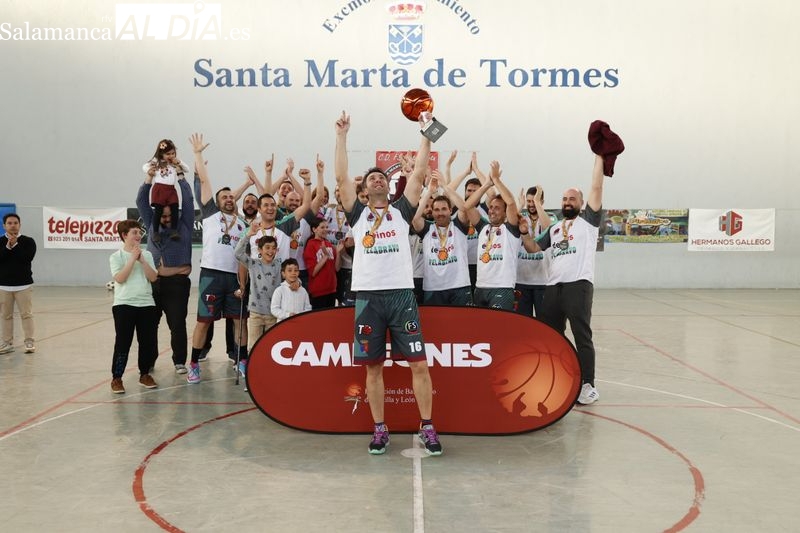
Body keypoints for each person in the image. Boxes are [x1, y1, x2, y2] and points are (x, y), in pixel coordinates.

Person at [334, 110, 443, 456]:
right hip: (367, 297)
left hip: (401, 296)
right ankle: (380, 429)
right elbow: (339, 177)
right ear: (364, 190)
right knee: (374, 368)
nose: (378, 180)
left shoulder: (401, 211)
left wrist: (426, 133)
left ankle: (427, 427)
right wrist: (342, 136)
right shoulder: (357, 215)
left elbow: (421, 172)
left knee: (419, 365)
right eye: (372, 179)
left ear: (389, 185)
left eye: (382, 177)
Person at [525, 154, 606, 405]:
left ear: (582, 203)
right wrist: (521, 229)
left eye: (572, 199)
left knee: (582, 336)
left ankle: (588, 385)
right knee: (550, 336)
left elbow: (596, 186)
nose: (567, 202)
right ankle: (555, 379)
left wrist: (598, 155)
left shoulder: (588, 223)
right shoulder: (556, 227)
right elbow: (533, 249)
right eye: (564, 199)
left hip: (578, 285)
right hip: (553, 288)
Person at [188, 133, 248, 384]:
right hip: (211, 274)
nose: (228, 198)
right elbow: (203, 180)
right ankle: (193, 363)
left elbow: (244, 258)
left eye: (231, 196)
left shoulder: (243, 225)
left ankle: (243, 361)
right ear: (217, 201)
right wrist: (198, 154)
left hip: (233, 278)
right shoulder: (210, 214)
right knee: (204, 321)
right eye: (224, 196)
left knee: (239, 321)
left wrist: (243, 283)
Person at [136, 169, 194, 374]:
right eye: (164, 216)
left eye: (171, 216)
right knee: (149, 325)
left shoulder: (184, 222)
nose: (166, 219)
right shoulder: (152, 222)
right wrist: (149, 178)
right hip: (151, 283)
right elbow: (141, 200)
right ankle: (148, 361)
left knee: (177, 324)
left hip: (176, 286)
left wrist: (180, 177)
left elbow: (188, 200)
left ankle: (179, 361)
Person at [108, 220, 159, 393]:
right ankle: (117, 377)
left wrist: (142, 260)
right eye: (134, 233)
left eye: (139, 232)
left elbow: (153, 278)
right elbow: (120, 278)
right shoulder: (116, 257)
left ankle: (144, 374)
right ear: (124, 236)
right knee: (123, 342)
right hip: (124, 305)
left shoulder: (148, 255)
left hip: (146, 304)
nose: (138, 236)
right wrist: (132, 259)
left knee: (147, 342)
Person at [470, 161, 526, 311]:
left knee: (496, 329)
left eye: (497, 208)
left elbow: (511, 203)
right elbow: (468, 206)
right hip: (480, 287)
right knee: (479, 330)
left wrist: (497, 180)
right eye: (491, 207)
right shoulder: (483, 227)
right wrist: (487, 185)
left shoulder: (511, 229)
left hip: (502, 288)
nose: (492, 211)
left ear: (505, 212)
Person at [411, 171, 473, 305]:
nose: (440, 213)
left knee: (462, 324)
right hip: (433, 288)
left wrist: (445, 186)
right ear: (432, 212)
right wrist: (429, 192)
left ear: (450, 210)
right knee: (436, 326)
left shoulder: (459, 226)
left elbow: (464, 208)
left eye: (444, 209)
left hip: (459, 286)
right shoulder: (428, 228)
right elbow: (415, 218)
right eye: (437, 210)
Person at [235, 233, 281, 376]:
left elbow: (291, 274)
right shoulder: (253, 263)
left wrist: (297, 283)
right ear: (259, 250)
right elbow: (238, 253)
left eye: (273, 248)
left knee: (270, 346)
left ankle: (268, 374)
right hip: (255, 313)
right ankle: (253, 376)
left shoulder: (280, 264)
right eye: (267, 247)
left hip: (273, 315)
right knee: (253, 347)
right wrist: (248, 236)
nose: (270, 251)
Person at [515, 186, 555, 317]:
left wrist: (538, 205)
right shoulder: (521, 218)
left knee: (544, 321)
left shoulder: (550, 217)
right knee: (522, 322)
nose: (531, 204)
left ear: (541, 201)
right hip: (521, 280)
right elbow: (506, 224)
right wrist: (519, 206)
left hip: (542, 281)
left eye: (534, 201)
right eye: (529, 201)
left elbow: (548, 228)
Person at [0, 213, 37, 354]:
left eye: (15, 222)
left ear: (19, 225)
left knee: (26, 314)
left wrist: (15, 245)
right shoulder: (0, 241)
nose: (12, 225)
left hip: (23, 285)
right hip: (3, 286)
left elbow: (27, 258)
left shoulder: (28, 241)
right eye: (9, 223)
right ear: (4, 225)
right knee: (5, 315)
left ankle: (29, 341)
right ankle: (7, 342)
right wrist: (8, 247)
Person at [142, 139, 190, 242]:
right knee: (158, 211)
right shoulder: (157, 162)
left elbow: (187, 169)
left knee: (175, 208)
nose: (171, 156)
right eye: (168, 154)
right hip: (159, 188)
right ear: (161, 154)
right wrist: (149, 170)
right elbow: (145, 166)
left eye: (173, 153)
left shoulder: (174, 163)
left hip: (171, 189)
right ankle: (155, 232)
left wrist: (179, 162)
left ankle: (174, 230)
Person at [303, 217, 338, 309]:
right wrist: (325, 256)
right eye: (322, 227)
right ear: (314, 229)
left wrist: (338, 252)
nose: (326, 230)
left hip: (332, 289)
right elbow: (313, 272)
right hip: (318, 292)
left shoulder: (329, 244)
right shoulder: (311, 245)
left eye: (327, 227)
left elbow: (337, 268)